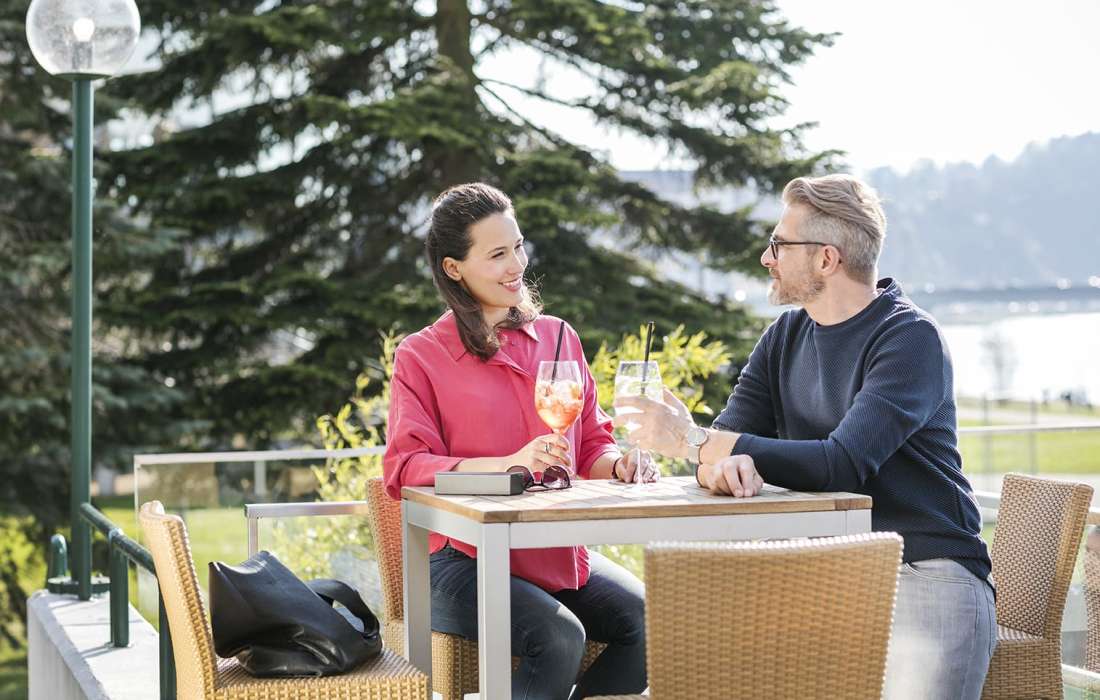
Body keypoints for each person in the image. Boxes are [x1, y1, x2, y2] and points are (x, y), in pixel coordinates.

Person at [614, 174, 996, 700]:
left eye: (778, 244)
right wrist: (714, 460)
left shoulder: (909, 338)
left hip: (923, 570)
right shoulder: (785, 336)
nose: (766, 258)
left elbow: (839, 466)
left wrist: (693, 441)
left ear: (826, 259)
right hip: (822, 575)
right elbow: (722, 444)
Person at [383, 182, 654, 700]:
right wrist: (507, 464)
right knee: (557, 636)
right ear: (453, 268)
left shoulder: (558, 337)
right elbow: (406, 466)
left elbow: (593, 444)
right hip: (458, 562)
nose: (517, 265)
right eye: (497, 255)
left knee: (648, 622)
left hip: (551, 550)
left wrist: (619, 464)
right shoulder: (421, 355)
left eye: (518, 247)